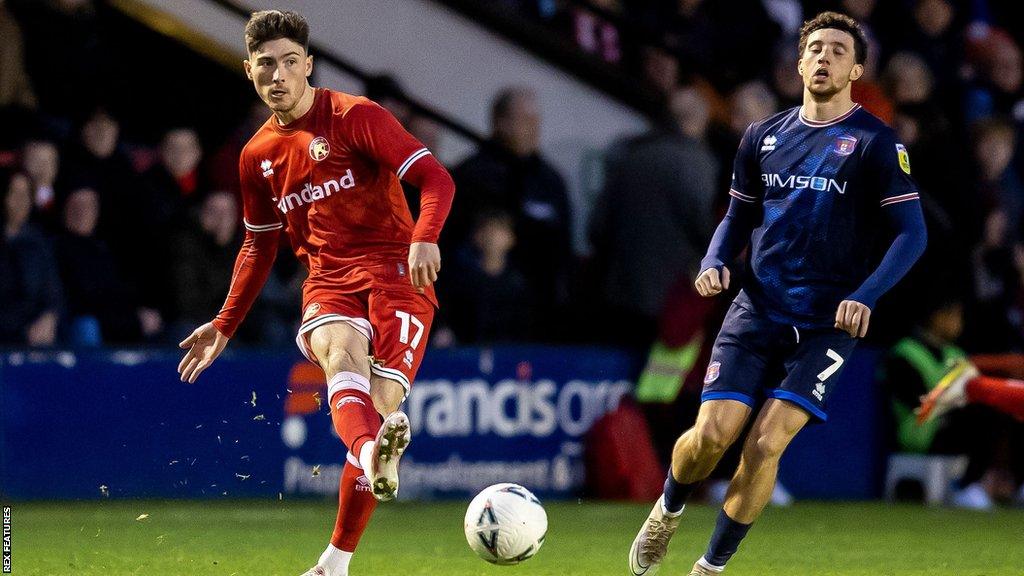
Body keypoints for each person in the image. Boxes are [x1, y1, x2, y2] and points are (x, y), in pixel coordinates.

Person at [628, 12, 928, 575]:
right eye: (814, 47)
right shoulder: (764, 136)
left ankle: (710, 565)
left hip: (828, 323)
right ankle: (668, 508)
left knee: (766, 444)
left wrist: (866, 294)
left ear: (856, 69)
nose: (823, 57)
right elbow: (737, 218)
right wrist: (715, 259)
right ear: (798, 63)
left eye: (838, 50)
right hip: (758, 307)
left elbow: (913, 234)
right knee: (712, 436)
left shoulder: (877, 144)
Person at [174, 11, 455, 576]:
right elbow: (258, 247)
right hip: (328, 280)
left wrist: (425, 237)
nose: (278, 74)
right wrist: (224, 323)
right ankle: (374, 454)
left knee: (376, 404)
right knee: (338, 359)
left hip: (399, 275)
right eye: (265, 65)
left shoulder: (357, 117)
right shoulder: (256, 157)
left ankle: (334, 561)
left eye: (288, 62)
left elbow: (436, 180)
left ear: (308, 65)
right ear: (249, 72)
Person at [882, 298, 1023, 509]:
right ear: (937, 317)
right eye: (955, 316)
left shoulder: (955, 354)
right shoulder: (905, 352)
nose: (959, 323)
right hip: (919, 427)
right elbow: (915, 400)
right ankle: (968, 486)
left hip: (953, 421)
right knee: (981, 415)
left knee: (1000, 414)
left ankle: (1001, 484)